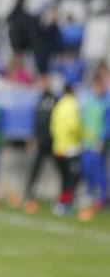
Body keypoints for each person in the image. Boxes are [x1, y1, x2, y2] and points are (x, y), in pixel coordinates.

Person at [22, 74, 58, 213]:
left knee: (62, 170)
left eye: (43, 83)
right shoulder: (39, 100)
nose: (41, 86)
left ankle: (64, 196)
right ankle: (28, 195)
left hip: (53, 141)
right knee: (34, 169)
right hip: (40, 142)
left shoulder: (54, 99)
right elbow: (36, 123)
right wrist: (33, 138)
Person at [50, 84, 83, 216]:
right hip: (71, 148)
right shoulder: (72, 105)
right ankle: (65, 204)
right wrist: (85, 136)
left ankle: (61, 203)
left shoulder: (58, 105)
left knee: (65, 177)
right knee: (72, 178)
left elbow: (52, 127)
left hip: (58, 147)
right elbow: (74, 126)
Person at [80, 74, 108, 215]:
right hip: (87, 142)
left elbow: (107, 124)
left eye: (100, 86)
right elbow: (84, 121)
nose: (97, 89)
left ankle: (103, 197)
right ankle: (89, 194)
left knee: (99, 170)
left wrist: (101, 140)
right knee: (87, 169)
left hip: (98, 142)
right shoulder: (89, 101)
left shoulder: (106, 103)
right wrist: (82, 140)